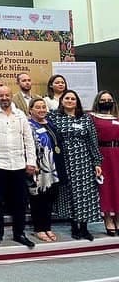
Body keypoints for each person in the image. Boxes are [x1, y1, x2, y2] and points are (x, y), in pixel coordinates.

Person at [0, 86, 37, 248]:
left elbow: (28, 139)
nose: (4, 98)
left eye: (7, 95)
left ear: (11, 96)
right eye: (1, 96)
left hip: (18, 165)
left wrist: (31, 161)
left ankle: (19, 233)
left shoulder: (20, 115)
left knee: (19, 202)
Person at [49, 90, 103, 241]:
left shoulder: (85, 118)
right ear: (62, 101)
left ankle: (84, 228)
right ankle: (74, 226)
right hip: (64, 160)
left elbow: (92, 141)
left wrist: (97, 162)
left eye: (73, 99)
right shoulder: (54, 117)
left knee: (84, 193)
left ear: (77, 102)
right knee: (70, 193)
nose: (70, 101)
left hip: (83, 160)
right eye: (67, 98)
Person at [27, 97, 63, 242]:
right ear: (30, 110)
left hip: (53, 167)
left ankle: (47, 227)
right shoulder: (29, 125)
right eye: (38, 107)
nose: (41, 110)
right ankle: (39, 229)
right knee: (38, 199)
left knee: (49, 198)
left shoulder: (50, 123)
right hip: (38, 167)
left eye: (43, 107)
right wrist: (32, 163)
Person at [90, 90, 119, 236]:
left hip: (117, 153)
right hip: (102, 154)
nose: (106, 102)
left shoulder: (117, 117)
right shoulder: (92, 117)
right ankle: (107, 218)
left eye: (109, 99)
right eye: (103, 100)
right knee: (105, 187)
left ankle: (118, 217)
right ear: (98, 101)